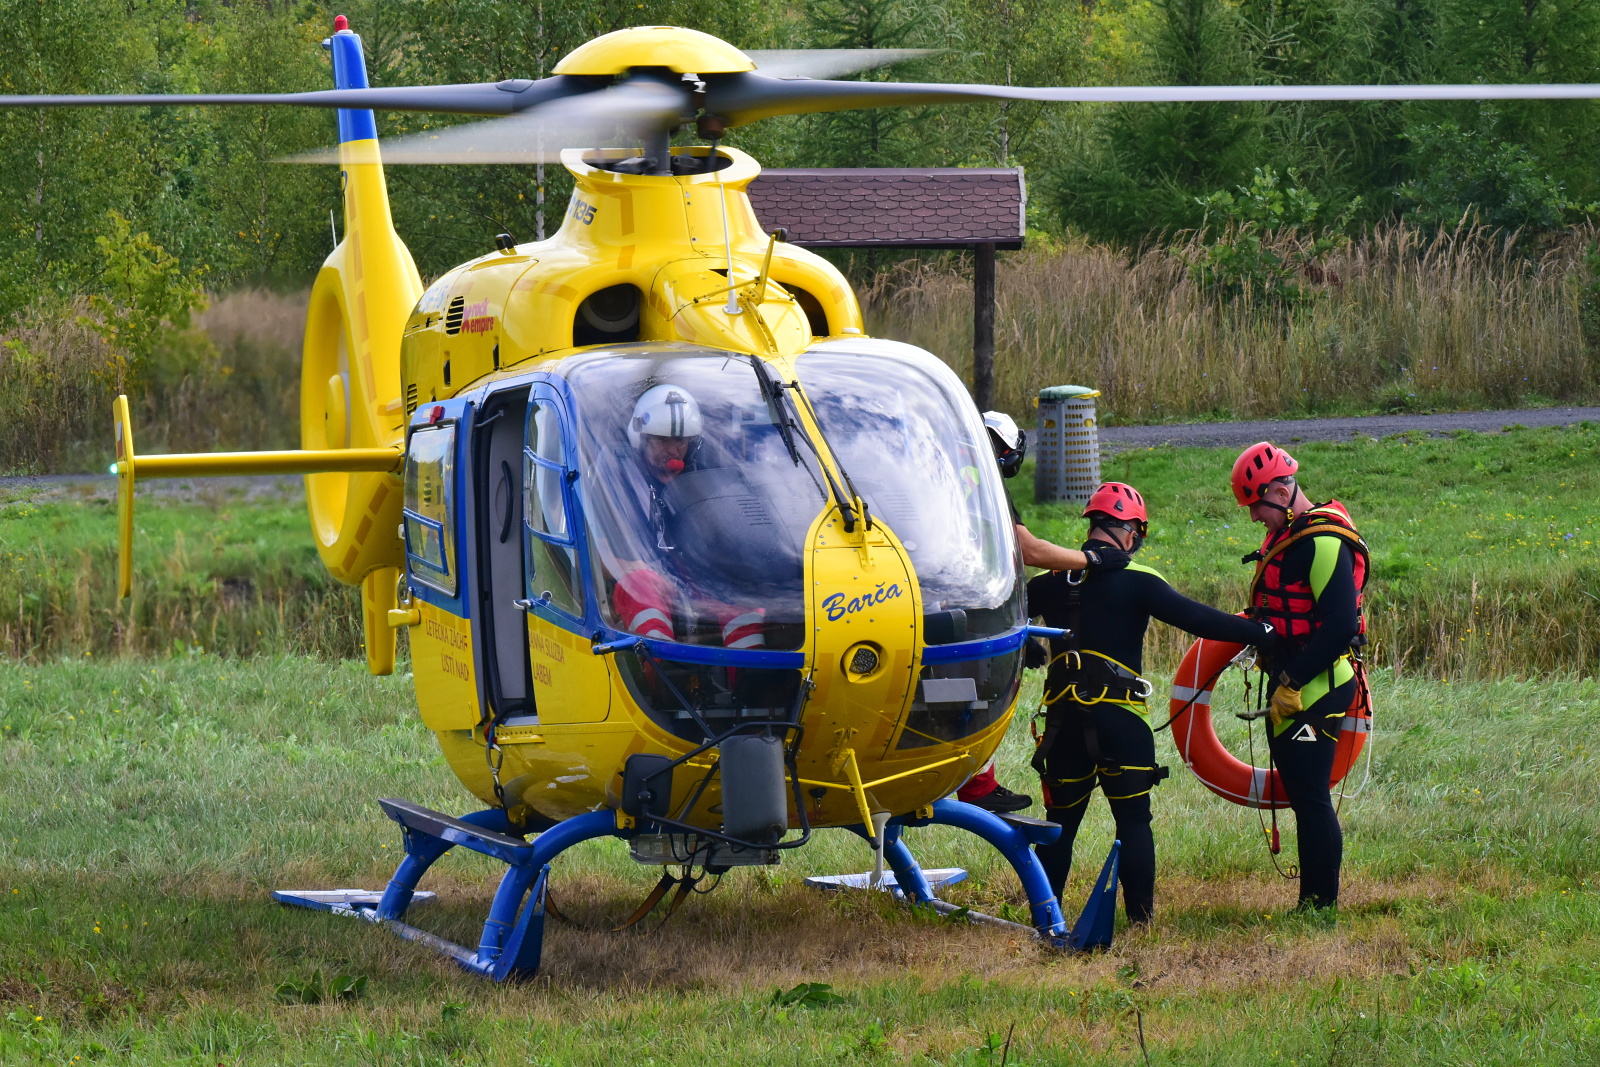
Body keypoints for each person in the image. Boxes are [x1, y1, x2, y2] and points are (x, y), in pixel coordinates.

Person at [1027, 481, 1279, 926]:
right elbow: (1197, 618)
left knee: (1059, 828)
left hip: (1062, 722)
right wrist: (1259, 632)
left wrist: (1027, 639)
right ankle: (1141, 923)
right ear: (1128, 531)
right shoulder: (1140, 580)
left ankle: (1046, 922)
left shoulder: (1047, 584)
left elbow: (1004, 612)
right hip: (1121, 721)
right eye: (1137, 534)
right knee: (1133, 821)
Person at [954, 412, 1130, 814]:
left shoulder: (950, 467)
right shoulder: (981, 476)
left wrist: (1024, 624)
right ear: (1006, 451)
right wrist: (1090, 561)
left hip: (953, 593)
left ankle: (975, 781)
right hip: (964, 600)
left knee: (967, 693)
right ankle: (976, 786)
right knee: (984, 690)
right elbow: (1027, 550)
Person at [1231, 442, 1368, 916]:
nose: (1253, 518)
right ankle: (1311, 902)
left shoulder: (1323, 540)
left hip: (1319, 682)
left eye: (1256, 505)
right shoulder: (1291, 534)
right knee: (1304, 796)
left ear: (1283, 489)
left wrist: (1291, 679)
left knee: (1311, 800)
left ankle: (1319, 908)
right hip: (1294, 679)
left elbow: (1340, 626)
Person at [611, 383, 765, 650]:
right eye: (662, 440)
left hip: (701, 575)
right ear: (641, 438)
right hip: (649, 576)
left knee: (738, 584)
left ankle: (753, 670)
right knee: (639, 583)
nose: (672, 450)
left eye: (680, 441)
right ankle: (659, 663)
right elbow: (604, 556)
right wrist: (645, 571)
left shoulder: (709, 477)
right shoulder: (619, 480)